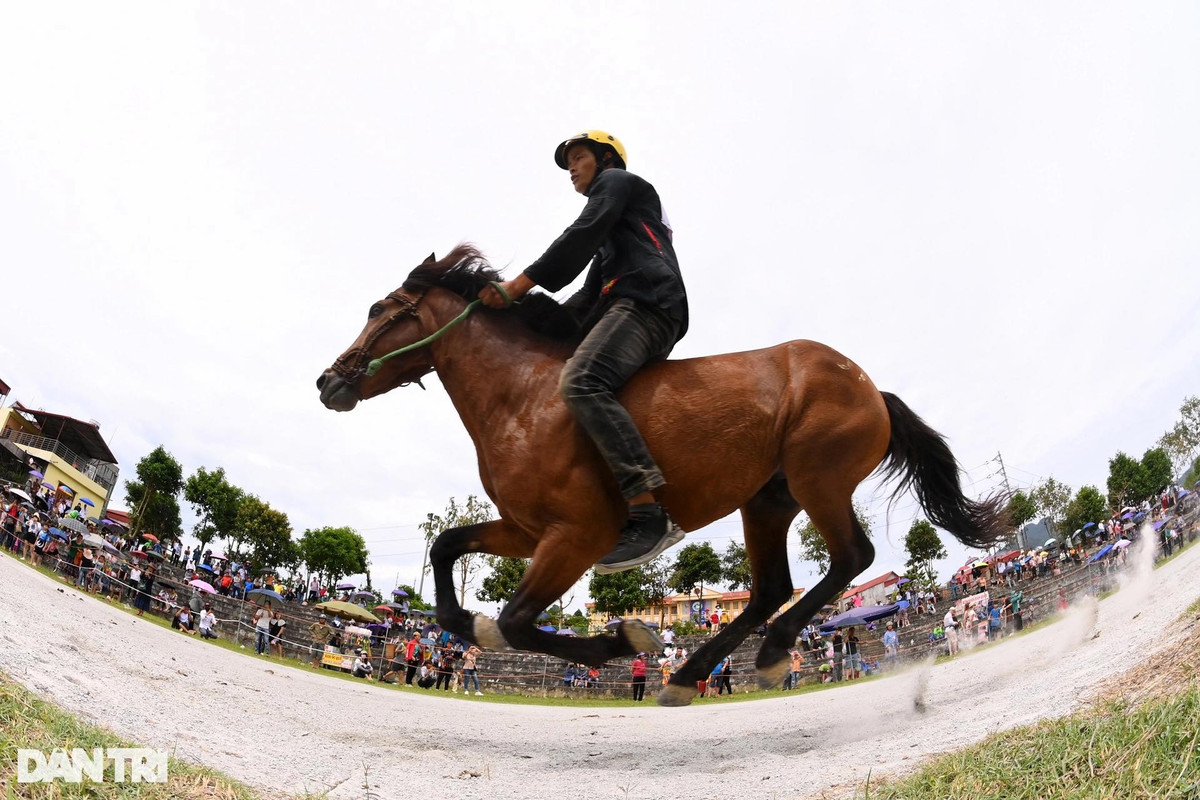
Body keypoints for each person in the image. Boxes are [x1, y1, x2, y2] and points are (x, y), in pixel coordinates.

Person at [478, 130, 688, 574]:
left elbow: (581, 231)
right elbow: (581, 305)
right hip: (630, 306)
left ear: (606, 159)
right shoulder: (611, 247)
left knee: (581, 380)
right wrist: (518, 319)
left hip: (650, 302)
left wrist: (520, 283)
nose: (572, 169)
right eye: (570, 162)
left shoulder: (619, 184)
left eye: (578, 158)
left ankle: (649, 514)